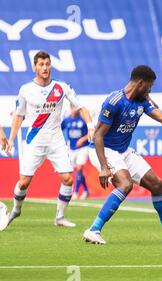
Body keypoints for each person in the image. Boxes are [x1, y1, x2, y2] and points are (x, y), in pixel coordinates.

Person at [83, 65, 162, 245]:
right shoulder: (114, 102)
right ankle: (93, 230)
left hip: (123, 151)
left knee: (157, 185)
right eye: (149, 86)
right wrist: (104, 167)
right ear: (141, 83)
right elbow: (98, 135)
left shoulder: (142, 100)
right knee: (125, 184)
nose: (150, 90)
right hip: (103, 150)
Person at [0, 50, 94, 231]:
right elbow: (18, 116)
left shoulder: (61, 87)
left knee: (68, 179)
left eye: (47, 64)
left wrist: (90, 126)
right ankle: (16, 210)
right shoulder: (25, 90)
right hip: (34, 141)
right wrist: (11, 139)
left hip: (56, 141)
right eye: (41, 65)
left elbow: (81, 107)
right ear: (34, 67)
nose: (45, 68)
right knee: (24, 182)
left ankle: (60, 216)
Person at [61, 107, 90, 200]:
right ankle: (86, 190)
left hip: (83, 147)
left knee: (79, 167)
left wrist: (83, 139)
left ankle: (75, 192)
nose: (74, 109)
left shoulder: (83, 119)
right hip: (72, 148)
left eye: (76, 108)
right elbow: (58, 130)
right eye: (72, 107)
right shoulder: (67, 120)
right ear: (70, 108)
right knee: (77, 170)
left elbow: (91, 132)